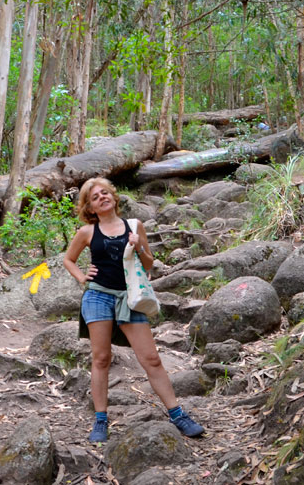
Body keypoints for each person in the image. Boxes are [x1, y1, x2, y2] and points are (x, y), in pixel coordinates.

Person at [62, 177, 205, 443]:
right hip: (98, 297)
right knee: (101, 359)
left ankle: (177, 414)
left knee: (151, 358)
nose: (102, 197)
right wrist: (83, 277)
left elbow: (149, 264)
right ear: (90, 207)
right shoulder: (87, 232)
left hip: (131, 298)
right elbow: (68, 260)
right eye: (95, 197)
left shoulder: (134, 225)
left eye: (105, 193)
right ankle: (101, 420)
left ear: (114, 197)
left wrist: (138, 244)